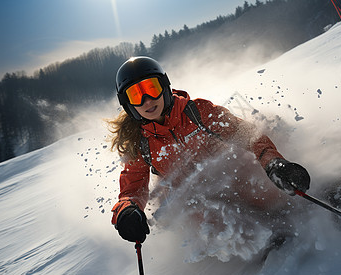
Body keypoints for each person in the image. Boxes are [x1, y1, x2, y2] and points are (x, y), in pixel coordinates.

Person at [108, 56, 310, 244]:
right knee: (205, 221)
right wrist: (127, 211)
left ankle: (312, 201)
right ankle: (264, 241)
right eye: (135, 95)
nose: (147, 100)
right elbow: (132, 189)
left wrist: (273, 163)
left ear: (164, 85)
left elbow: (248, 135)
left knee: (265, 193)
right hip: (195, 197)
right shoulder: (139, 143)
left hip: (230, 176)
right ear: (127, 104)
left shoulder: (197, 112)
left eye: (151, 88)